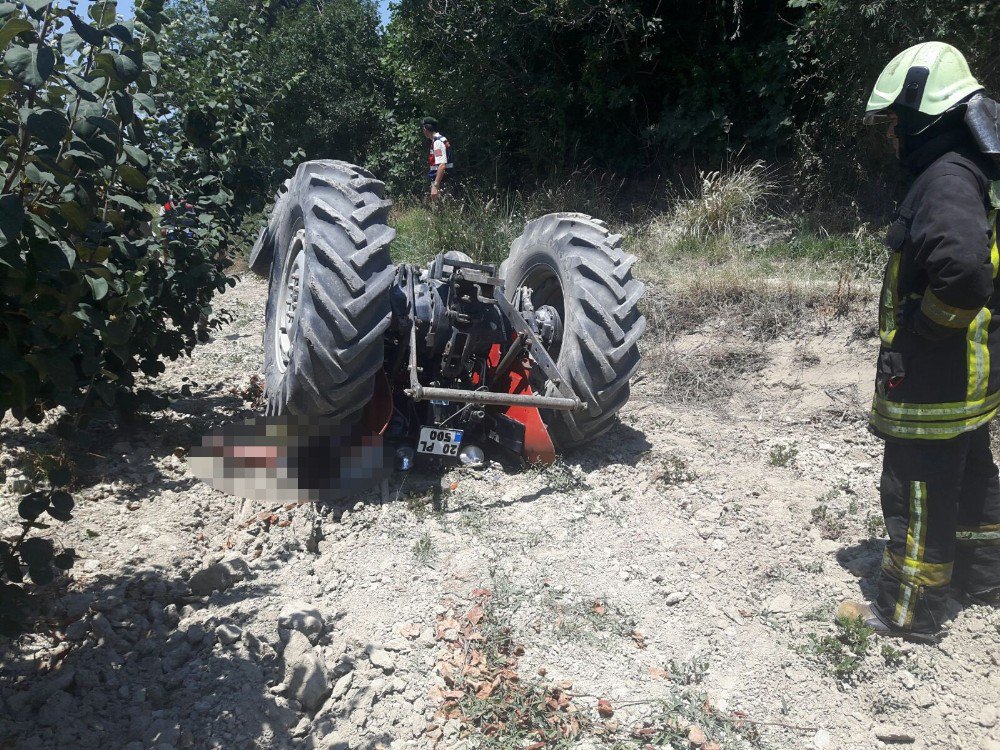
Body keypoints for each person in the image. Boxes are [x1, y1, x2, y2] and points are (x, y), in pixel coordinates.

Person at [838, 42, 1000, 642]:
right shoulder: (974, 171)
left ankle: (907, 612)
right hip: (969, 376)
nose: (892, 137)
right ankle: (983, 579)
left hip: (936, 376)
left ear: (923, 116)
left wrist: (929, 327)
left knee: (918, 490)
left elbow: (963, 271)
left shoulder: (945, 180)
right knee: (975, 475)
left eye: (895, 123)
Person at [421, 117, 454, 200]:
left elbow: (442, 165)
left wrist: (435, 186)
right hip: (444, 180)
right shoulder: (441, 139)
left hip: (441, 182)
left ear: (425, 129)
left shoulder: (438, 142)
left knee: (440, 211)